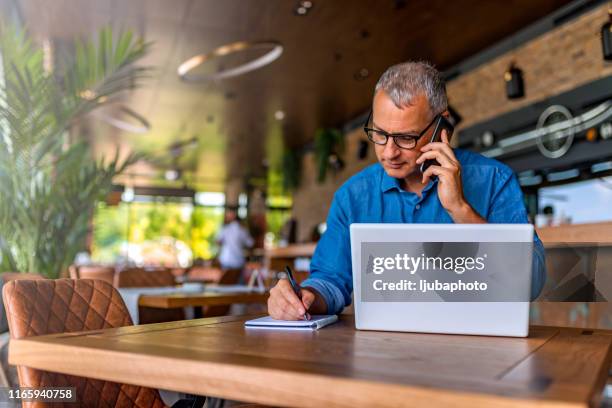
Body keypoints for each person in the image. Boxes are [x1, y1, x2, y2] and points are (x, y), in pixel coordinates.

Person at [268, 61, 546, 320]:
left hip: (476, 348)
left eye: (406, 138)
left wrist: (460, 210)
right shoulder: (352, 196)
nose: (389, 152)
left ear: (441, 124)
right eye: (379, 133)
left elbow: (529, 284)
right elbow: (330, 280)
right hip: (382, 352)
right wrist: (304, 298)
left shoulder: (494, 180)